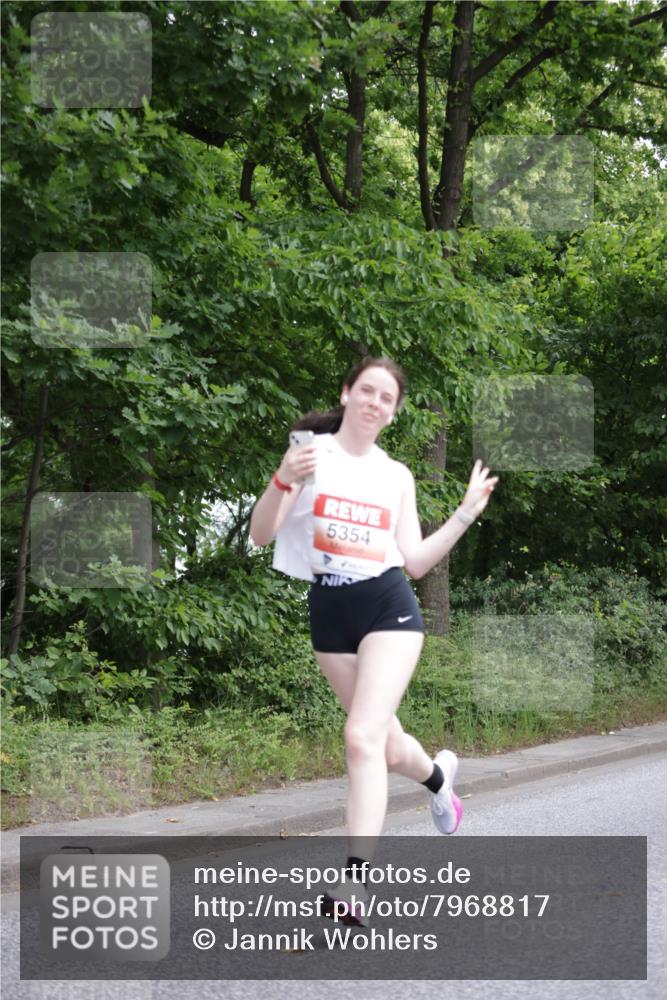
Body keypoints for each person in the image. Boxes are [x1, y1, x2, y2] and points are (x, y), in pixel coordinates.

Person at [249, 356, 498, 926]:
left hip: (388, 606)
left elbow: (415, 562)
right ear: (346, 394)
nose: (375, 402)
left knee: (361, 737)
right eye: (367, 390)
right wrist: (283, 476)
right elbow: (261, 535)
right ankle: (439, 779)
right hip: (329, 612)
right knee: (384, 745)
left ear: (394, 412)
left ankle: (354, 884)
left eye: (387, 397)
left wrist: (464, 513)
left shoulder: (396, 476)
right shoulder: (309, 454)